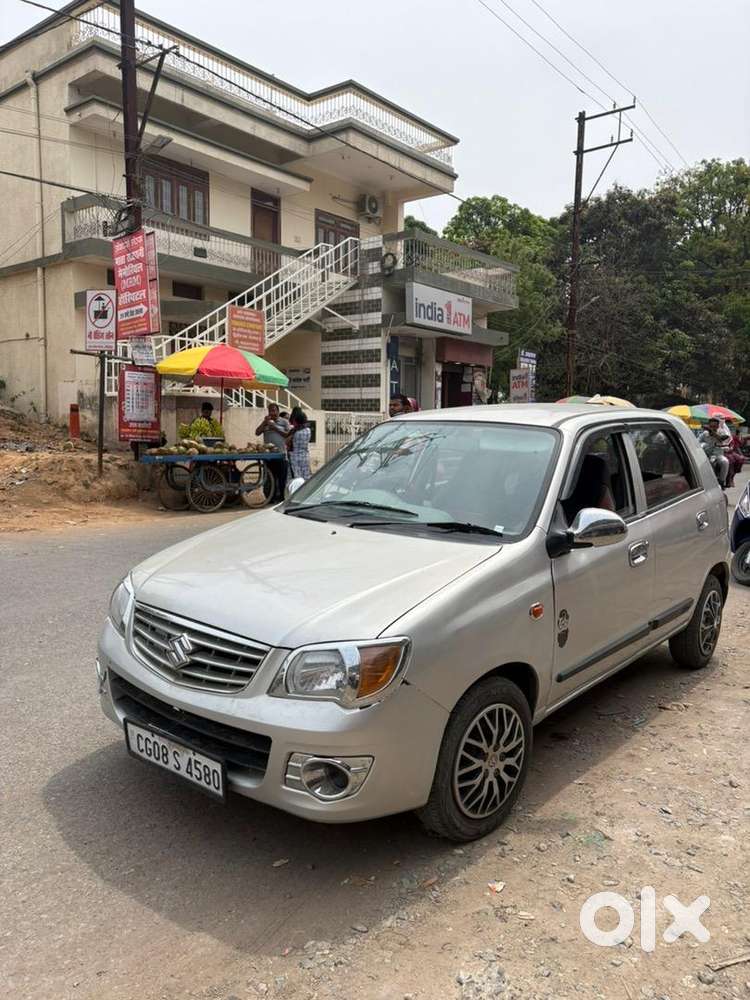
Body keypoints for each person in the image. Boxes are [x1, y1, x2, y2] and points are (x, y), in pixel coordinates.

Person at [256, 403, 291, 499]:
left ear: (278, 411)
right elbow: (257, 432)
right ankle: (270, 498)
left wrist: (274, 427)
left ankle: (282, 498)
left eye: (274, 410)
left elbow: (288, 435)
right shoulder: (266, 422)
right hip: (268, 456)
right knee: (269, 478)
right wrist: (264, 423)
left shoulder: (284, 422)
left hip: (281, 455)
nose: (272, 413)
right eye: (270, 411)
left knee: (281, 479)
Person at [698, 417, 730, 487]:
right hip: (706, 455)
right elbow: (697, 441)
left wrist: (712, 431)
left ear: (718, 426)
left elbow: (722, 438)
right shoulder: (705, 433)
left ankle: (722, 481)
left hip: (718, 455)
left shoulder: (722, 432)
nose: (713, 428)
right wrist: (701, 445)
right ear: (708, 426)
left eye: (714, 426)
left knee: (725, 462)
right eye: (711, 426)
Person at [287, 406, 312, 481]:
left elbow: (287, 442)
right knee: (306, 478)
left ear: (296, 421)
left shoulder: (295, 432)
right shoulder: (308, 430)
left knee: (296, 479)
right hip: (305, 457)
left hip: (295, 459)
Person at [724, 419, 745, 488]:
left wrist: (741, 455)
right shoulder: (720, 431)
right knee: (731, 460)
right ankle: (728, 479)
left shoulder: (732, 435)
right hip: (723, 451)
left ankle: (732, 477)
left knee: (740, 459)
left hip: (731, 451)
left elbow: (737, 445)